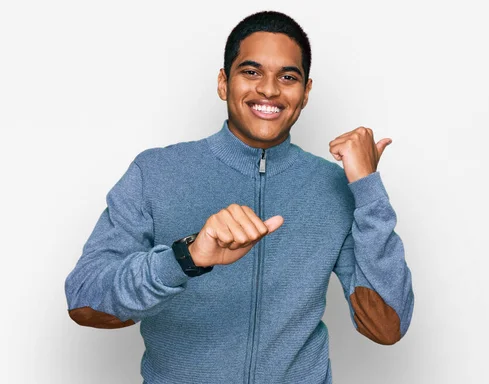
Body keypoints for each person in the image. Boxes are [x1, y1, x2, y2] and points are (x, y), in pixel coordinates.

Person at [65, 10, 414, 384]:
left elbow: (385, 326)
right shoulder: (155, 172)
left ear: (306, 93)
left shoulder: (333, 187)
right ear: (222, 82)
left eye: (288, 76)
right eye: (251, 72)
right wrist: (187, 258)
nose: (269, 89)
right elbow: (86, 302)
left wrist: (367, 187)